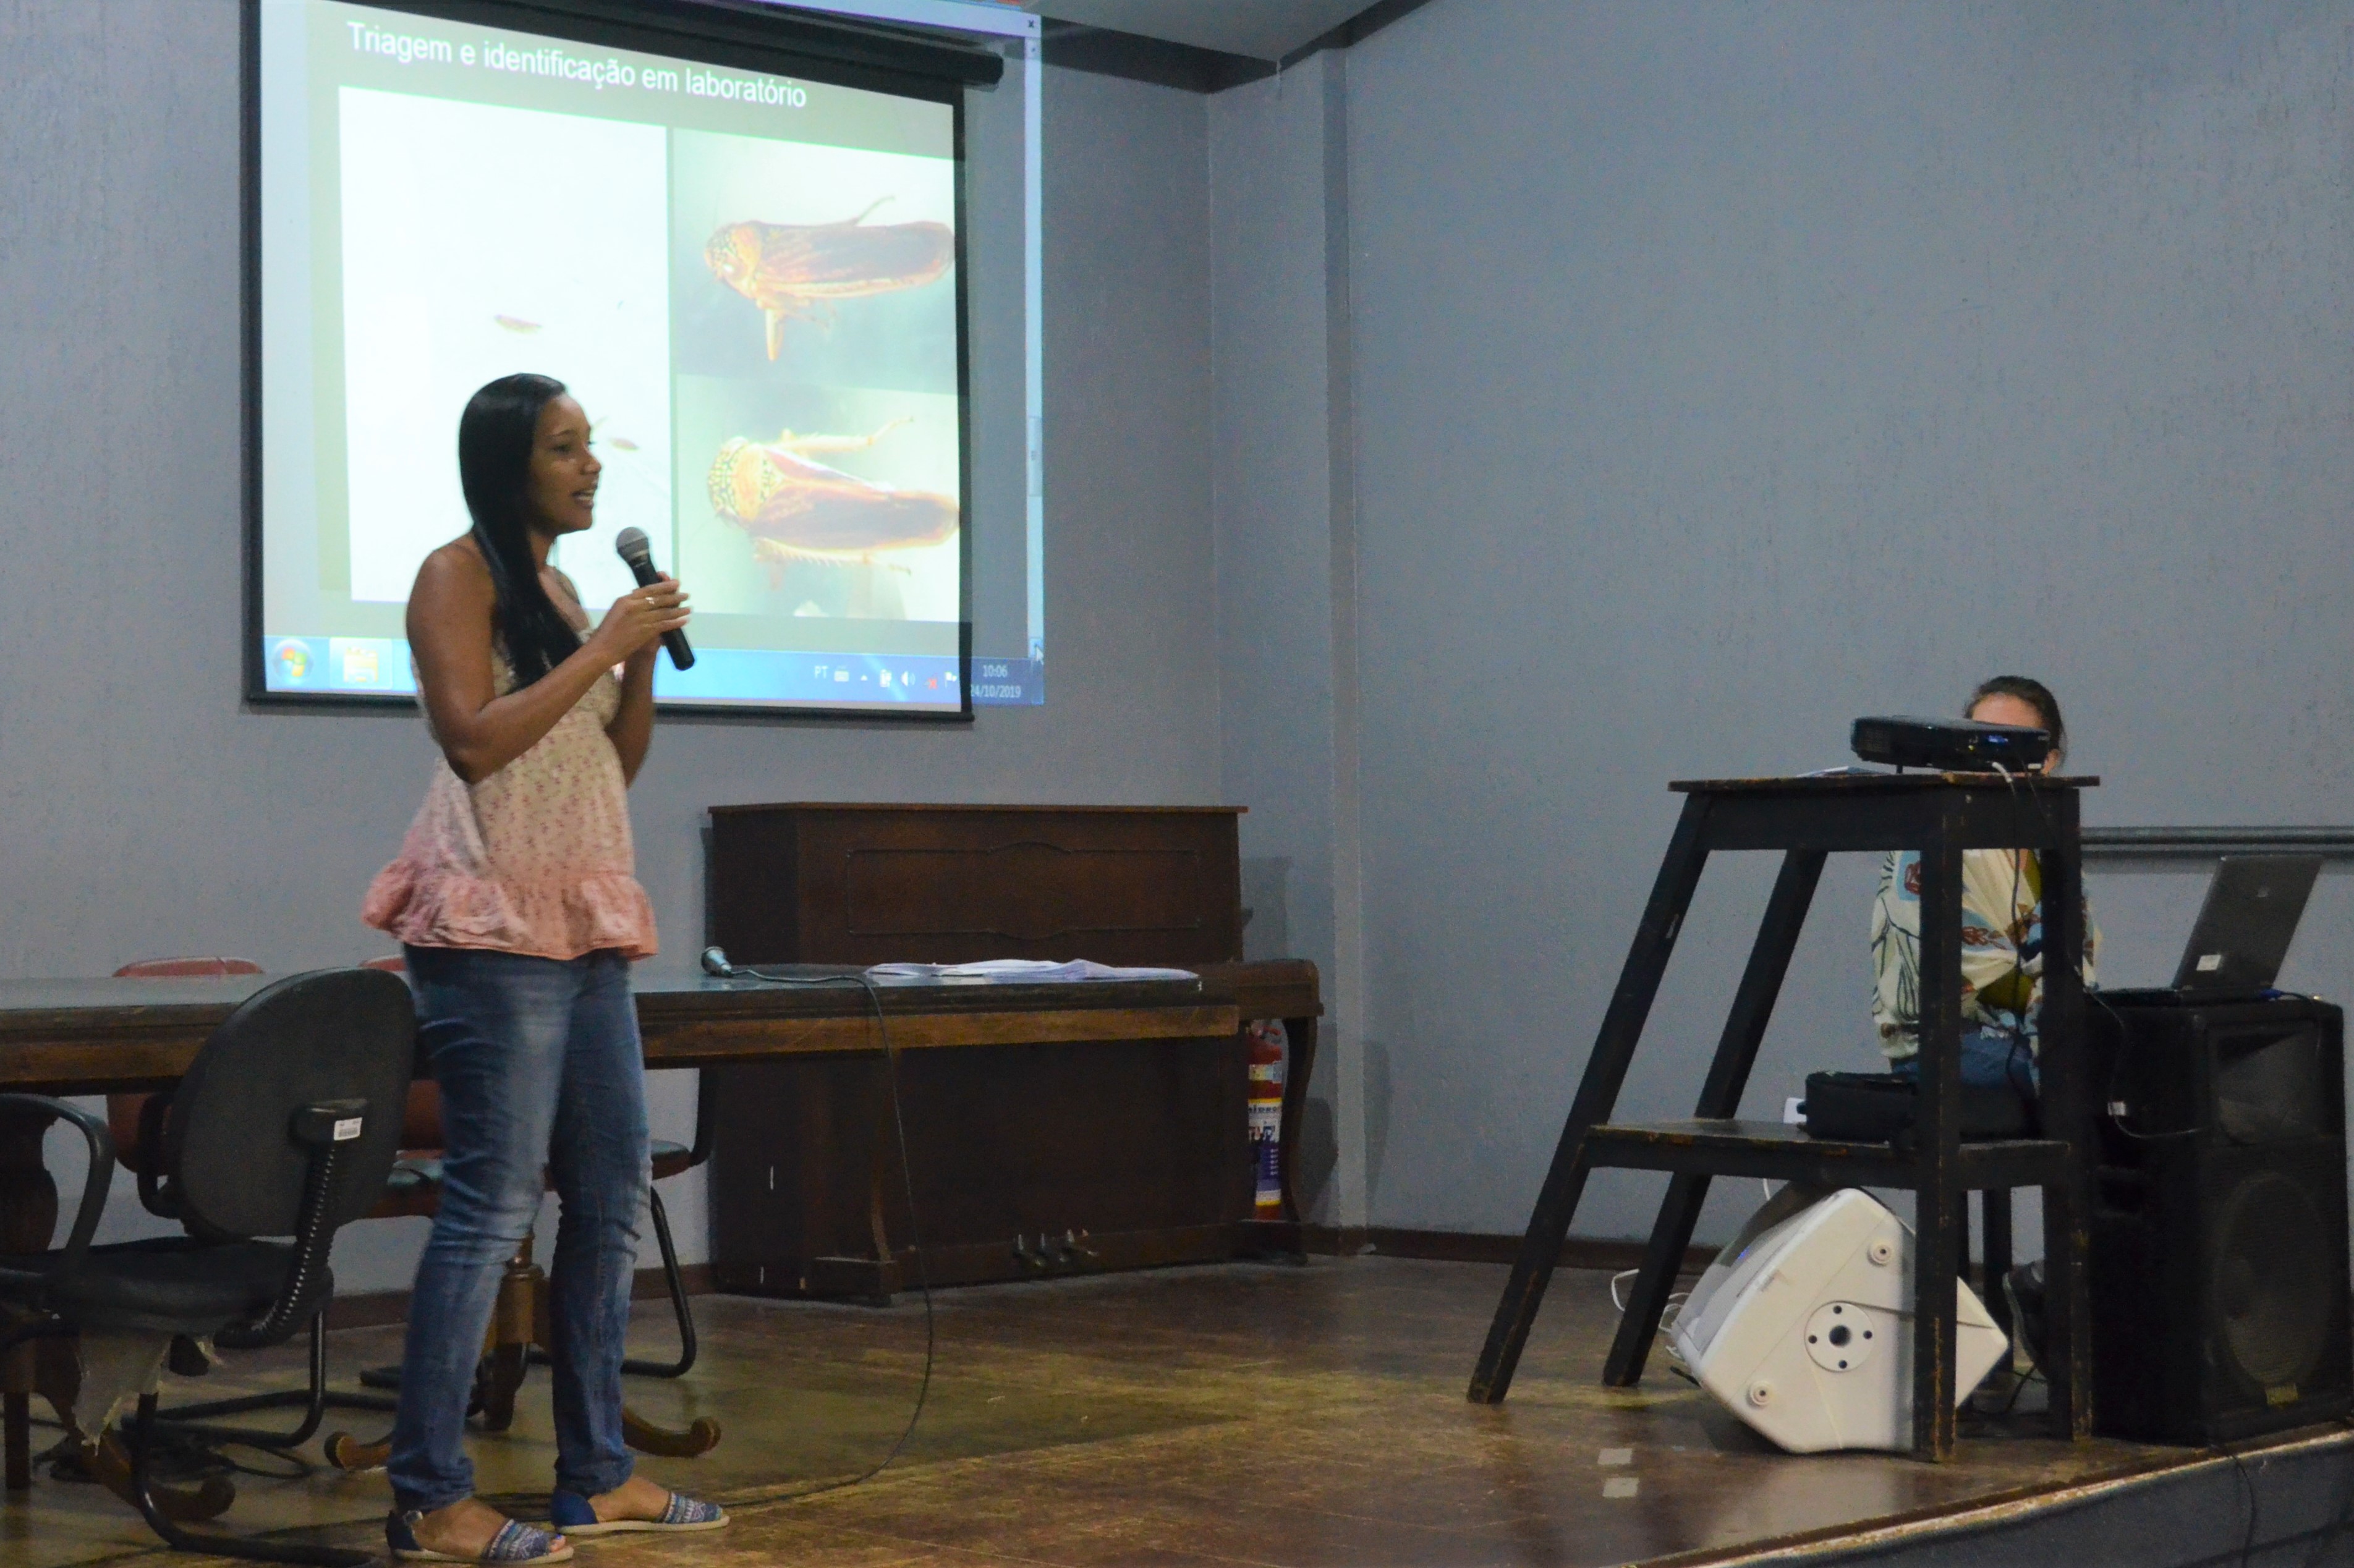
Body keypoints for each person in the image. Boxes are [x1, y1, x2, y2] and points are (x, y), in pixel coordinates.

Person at [362, 374, 723, 1565]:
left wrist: (638, 663)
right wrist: (601, 647)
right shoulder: (454, 576)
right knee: (492, 1202)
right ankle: (429, 1495)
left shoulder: (563, 591)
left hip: (582, 921)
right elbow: (473, 742)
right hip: (489, 924)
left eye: (590, 446)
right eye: (565, 448)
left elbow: (604, 765)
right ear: (507, 463)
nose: (590, 466)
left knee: (613, 1189)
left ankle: (596, 1474)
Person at [1867, 676, 2101, 1099]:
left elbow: (2076, 958)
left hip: (2031, 1033)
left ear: (2048, 760)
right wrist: (2054, 1007)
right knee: (2084, 1073)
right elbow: (1958, 972)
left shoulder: (2053, 846)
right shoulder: (1931, 837)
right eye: (1978, 743)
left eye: (2009, 745)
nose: (1990, 761)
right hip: (1947, 1042)